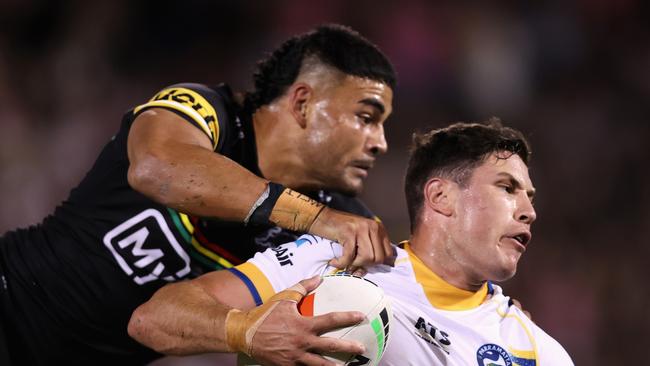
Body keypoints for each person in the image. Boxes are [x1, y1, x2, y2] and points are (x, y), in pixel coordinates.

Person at [0, 24, 397, 365]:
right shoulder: (207, 110)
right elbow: (156, 167)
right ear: (303, 102)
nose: (380, 142)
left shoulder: (347, 227)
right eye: (366, 118)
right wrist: (312, 217)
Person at [129, 119, 574, 365]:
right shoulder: (331, 260)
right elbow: (152, 320)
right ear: (440, 197)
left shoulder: (537, 351)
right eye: (507, 188)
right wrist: (246, 332)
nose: (529, 210)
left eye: (529, 197)